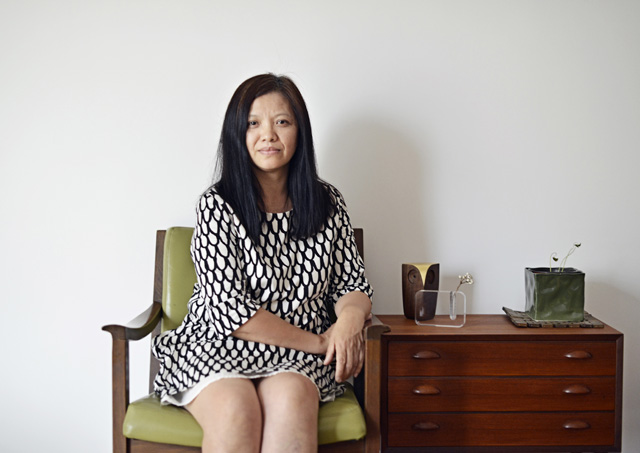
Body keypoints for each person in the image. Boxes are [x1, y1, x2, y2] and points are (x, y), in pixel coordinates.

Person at [152, 73, 373, 453]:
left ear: (300, 131)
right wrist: (321, 342)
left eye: (281, 122)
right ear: (237, 134)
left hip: (297, 358)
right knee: (236, 409)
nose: (268, 135)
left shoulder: (328, 202)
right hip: (218, 345)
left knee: (292, 402)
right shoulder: (217, 205)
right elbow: (230, 312)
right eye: (253, 123)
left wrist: (350, 320)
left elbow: (352, 283)